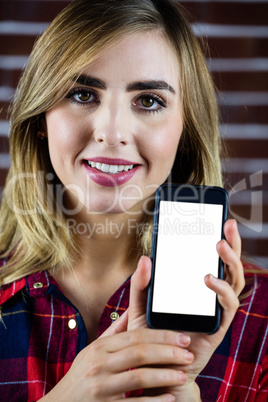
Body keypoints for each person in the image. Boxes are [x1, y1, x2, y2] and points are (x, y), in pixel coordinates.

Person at [0, 0, 267, 400]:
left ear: (184, 131)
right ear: (41, 118)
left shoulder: (260, 318)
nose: (112, 132)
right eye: (82, 93)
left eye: (148, 101)